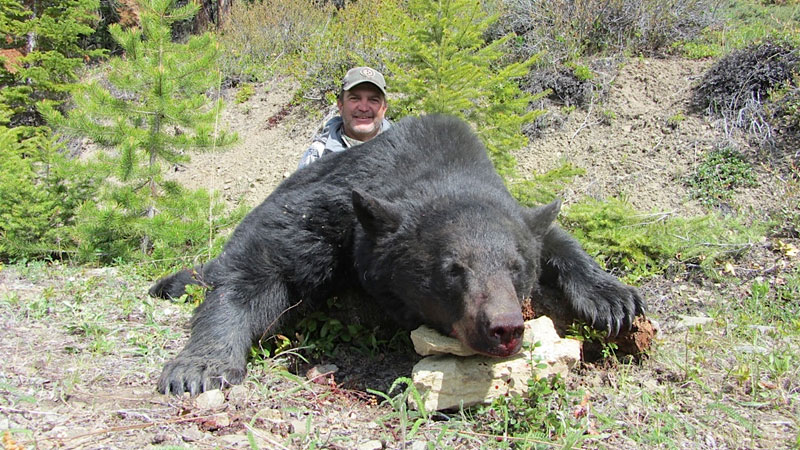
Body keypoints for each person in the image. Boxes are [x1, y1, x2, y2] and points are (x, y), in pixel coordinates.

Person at [298, 66, 391, 169]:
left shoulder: (405, 152)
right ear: (340, 105)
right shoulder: (318, 155)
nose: (363, 108)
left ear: (384, 108)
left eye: (373, 100)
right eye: (355, 99)